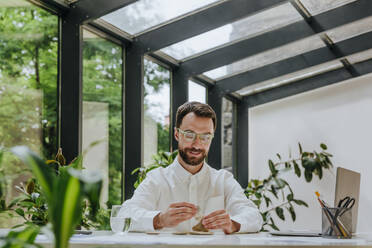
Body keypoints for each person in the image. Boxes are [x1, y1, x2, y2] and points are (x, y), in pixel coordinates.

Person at [121, 101, 262, 233]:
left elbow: (254, 216)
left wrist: (232, 224)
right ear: (177, 134)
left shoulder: (223, 180)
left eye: (205, 136)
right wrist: (160, 219)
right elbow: (124, 214)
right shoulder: (157, 179)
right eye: (189, 135)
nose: (197, 144)